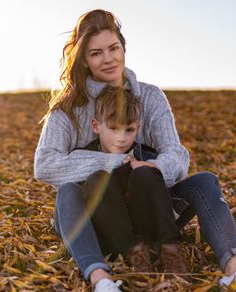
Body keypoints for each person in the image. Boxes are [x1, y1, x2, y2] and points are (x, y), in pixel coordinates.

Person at [34, 9, 236, 292]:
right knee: (67, 193)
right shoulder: (67, 110)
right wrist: (115, 162)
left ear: (124, 48)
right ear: (83, 60)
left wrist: (154, 169)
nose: (109, 59)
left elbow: (176, 154)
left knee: (205, 180)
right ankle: (101, 280)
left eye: (114, 48)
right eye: (96, 53)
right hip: (99, 219)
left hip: (149, 208)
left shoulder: (150, 98)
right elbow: (45, 164)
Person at [80, 84, 189, 275]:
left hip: (149, 230)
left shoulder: (145, 156)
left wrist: (150, 167)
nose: (121, 138)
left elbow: (160, 194)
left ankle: (171, 254)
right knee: (98, 180)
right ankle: (137, 259)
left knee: (145, 172)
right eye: (113, 128)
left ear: (137, 128)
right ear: (96, 126)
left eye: (129, 130)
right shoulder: (84, 156)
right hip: (114, 237)